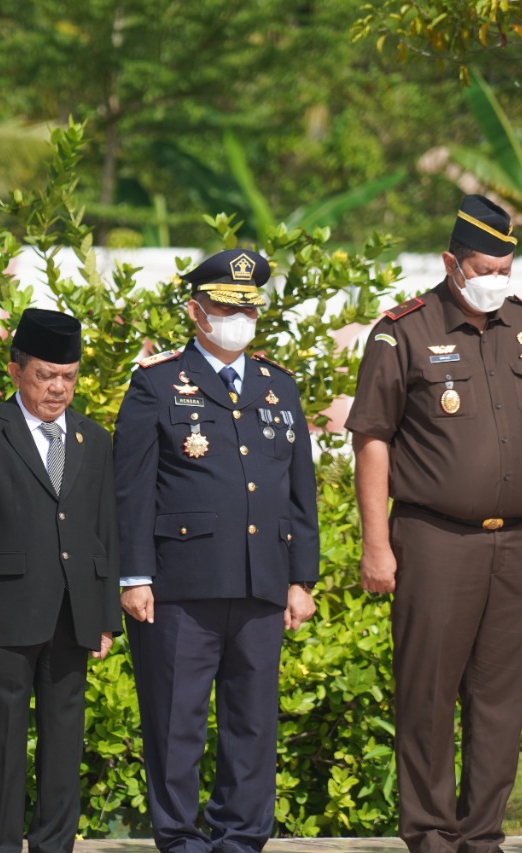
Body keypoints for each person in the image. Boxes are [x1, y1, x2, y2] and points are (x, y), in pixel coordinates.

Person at [346, 195, 522, 853]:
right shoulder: (404, 331)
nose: (495, 278)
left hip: (518, 542)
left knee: (501, 699)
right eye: (483, 265)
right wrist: (376, 542)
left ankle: (481, 835)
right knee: (428, 693)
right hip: (436, 540)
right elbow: (372, 438)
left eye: (506, 265)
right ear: (451, 262)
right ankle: (431, 833)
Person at [113, 249, 320, 853]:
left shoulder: (278, 385)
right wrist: (134, 576)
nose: (240, 318)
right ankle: (178, 836)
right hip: (181, 583)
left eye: (248, 307)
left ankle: (241, 836)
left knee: (252, 722)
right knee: (176, 721)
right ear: (195, 311)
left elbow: (297, 491)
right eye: (228, 307)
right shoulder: (156, 382)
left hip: (262, 581)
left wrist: (301, 578)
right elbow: (131, 489)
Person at [0, 308, 121, 853]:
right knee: (1, 739)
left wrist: (106, 617)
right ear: (17, 370)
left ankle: (54, 844)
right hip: (3, 614)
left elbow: (104, 532)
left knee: (64, 742)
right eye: (46, 374)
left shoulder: (94, 439)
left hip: (74, 615)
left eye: (68, 376)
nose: (58, 388)